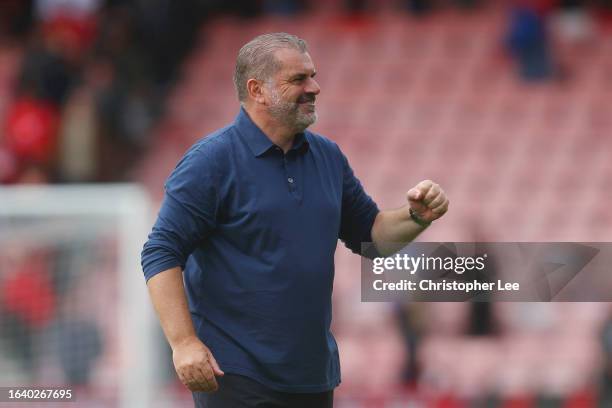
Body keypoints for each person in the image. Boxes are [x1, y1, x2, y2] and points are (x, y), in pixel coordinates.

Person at [141, 32, 449, 408]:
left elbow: (374, 238)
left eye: (313, 75)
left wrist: (417, 217)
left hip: (313, 376)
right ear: (257, 90)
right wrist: (184, 343)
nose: (315, 87)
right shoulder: (211, 162)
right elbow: (160, 252)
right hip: (235, 374)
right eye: (298, 79)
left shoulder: (328, 158)